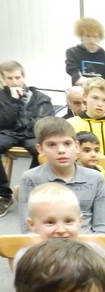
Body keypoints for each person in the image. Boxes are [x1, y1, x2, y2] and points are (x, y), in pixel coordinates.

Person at [15, 182, 105, 292]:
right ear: (32, 225)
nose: (61, 230)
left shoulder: (93, 251)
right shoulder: (28, 257)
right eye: (50, 222)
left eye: (68, 221)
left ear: (80, 221)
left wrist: (103, 254)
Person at [19, 117, 105, 234]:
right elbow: (28, 229)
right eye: (52, 145)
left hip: (87, 242)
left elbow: (103, 228)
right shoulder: (30, 178)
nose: (61, 150)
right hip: (46, 243)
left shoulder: (95, 178)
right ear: (40, 149)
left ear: (77, 146)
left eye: (67, 143)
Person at [0, 60, 54, 217]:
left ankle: (30, 189)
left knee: (43, 150)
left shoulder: (40, 98)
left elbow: (45, 122)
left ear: (23, 77)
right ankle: (4, 195)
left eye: (17, 77)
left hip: (32, 133)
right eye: (9, 78)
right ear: (2, 79)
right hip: (8, 132)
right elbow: (4, 123)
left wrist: (29, 125)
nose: (14, 82)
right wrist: (13, 102)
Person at [64, 17, 105, 89]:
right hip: (81, 93)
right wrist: (101, 83)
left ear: (100, 37)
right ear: (81, 35)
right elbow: (76, 78)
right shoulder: (73, 52)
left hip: (101, 94)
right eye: (88, 36)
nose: (91, 40)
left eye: (95, 36)